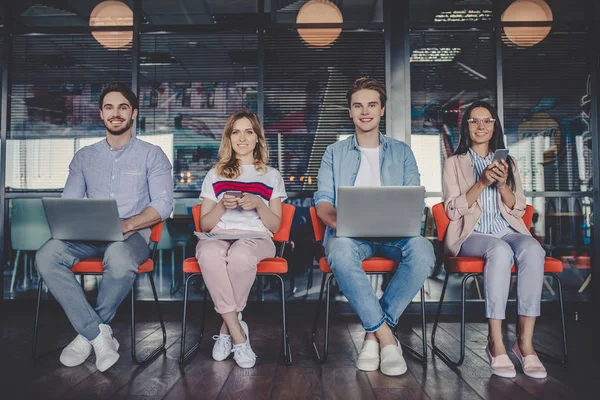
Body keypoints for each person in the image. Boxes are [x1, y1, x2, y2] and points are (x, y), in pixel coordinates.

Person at [35, 83, 174, 372]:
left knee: (119, 259)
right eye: (109, 107)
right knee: (46, 255)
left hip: (132, 237)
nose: (116, 113)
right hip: (87, 236)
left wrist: (129, 223)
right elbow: (70, 201)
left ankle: (85, 337)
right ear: (101, 114)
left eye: (123, 107)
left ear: (133, 113)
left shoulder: (152, 154)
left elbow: (163, 204)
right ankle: (98, 335)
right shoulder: (84, 157)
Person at [314, 77, 435, 376]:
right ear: (350, 112)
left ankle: (374, 333)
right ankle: (386, 338)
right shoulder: (334, 153)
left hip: (396, 235)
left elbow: (413, 198)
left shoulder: (402, 151)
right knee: (339, 250)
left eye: (371, 105)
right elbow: (323, 202)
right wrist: (341, 222)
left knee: (423, 250)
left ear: (382, 110)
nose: (364, 111)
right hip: (351, 236)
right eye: (358, 106)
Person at [442, 100, 547, 379]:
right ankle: (496, 341)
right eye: (474, 121)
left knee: (534, 251)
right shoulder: (454, 163)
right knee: (499, 251)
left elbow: (518, 209)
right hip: (472, 234)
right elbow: (452, 210)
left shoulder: (508, 162)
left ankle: (525, 344)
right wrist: (481, 183)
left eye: (487, 121)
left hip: (507, 229)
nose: (481, 126)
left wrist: (502, 185)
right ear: (466, 126)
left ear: (494, 126)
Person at [195, 109, 287, 369]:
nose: (242, 138)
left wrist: (258, 203)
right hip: (219, 235)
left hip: (257, 238)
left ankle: (226, 329)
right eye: (236, 132)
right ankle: (239, 335)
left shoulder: (271, 175)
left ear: (258, 138)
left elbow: (275, 225)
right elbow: (204, 224)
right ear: (229, 137)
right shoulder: (215, 174)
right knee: (208, 253)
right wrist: (223, 206)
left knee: (241, 256)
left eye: (249, 132)